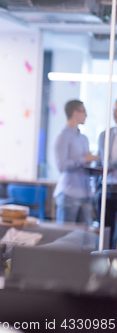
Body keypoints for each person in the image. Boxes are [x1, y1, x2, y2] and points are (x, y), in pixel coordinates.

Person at [53, 100, 99, 225]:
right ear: (75, 113)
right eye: (84, 111)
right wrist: (84, 159)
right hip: (69, 194)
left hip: (86, 194)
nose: (86, 115)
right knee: (65, 237)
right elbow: (62, 166)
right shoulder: (62, 137)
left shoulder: (84, 138)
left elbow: (87, 164)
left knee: (84, 239)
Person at [97, 100, 117, 249]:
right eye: (114, 110)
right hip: (108, 187)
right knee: (105, 229)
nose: (115, 114)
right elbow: (100, 159)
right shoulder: (105, 135)